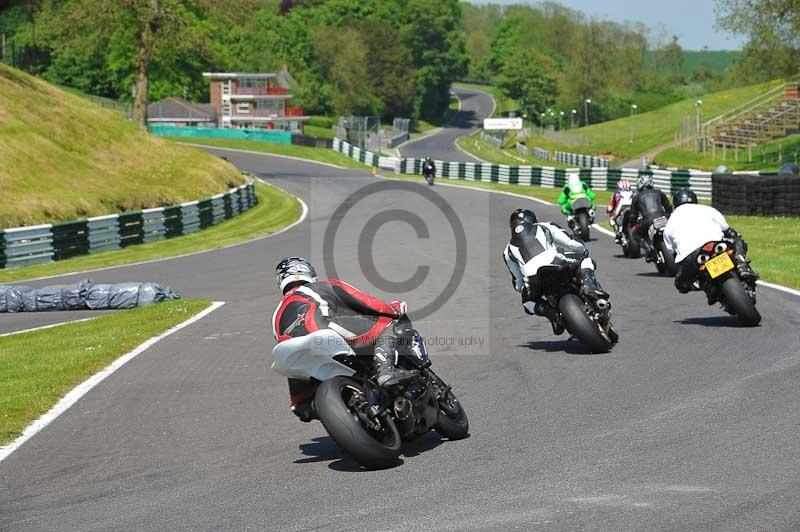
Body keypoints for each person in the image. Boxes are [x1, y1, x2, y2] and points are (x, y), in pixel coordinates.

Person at [272, 257, 416, 422]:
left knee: (302, 405)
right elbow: (366, 302)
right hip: (324, 330)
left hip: (299, 356)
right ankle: (386, 371)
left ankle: (304, 403)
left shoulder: (276, 314)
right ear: (309, 272)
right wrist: (393, 308)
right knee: (388, 324)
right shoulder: (320, 286)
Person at [502, 208, 609, 335]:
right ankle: (589, 287)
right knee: (586, 260)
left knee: (527, 303)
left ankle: (551, 314)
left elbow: (518, 283)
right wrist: (583, 250)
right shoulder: (544, 226)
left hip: (533, 278)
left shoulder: (507, 251)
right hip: (556, 262)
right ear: (532, 219)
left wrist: (526, 288)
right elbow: (571, 243)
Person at [663, 188, 757, 294]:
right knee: (738, 241)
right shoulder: (707, 209)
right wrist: (734, 236)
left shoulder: (670, 220)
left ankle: (703, 284)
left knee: (680, 285)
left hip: (692, 256)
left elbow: (671, 251)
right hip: (716, 244)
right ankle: (742, 265)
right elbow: (728, 230)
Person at [628, 174, 673, 255]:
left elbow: (633, 215)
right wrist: (668, 216)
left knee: (635, 234)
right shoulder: (659, 192)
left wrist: (632, 223)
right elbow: (669, 207)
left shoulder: (636, 197)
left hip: (648, 221)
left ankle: (648, 248)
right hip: (663, 218)